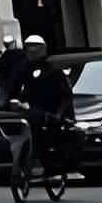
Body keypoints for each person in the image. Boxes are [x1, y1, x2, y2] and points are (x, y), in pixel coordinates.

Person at [21, 47, 78, 187]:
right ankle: (33, 164)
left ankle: (55, 168)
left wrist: (59, 114)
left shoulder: (55, 73)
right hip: (36, 113)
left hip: (53, 113)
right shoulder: (27, 73)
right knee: (32, 136)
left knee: (53, 138)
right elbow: (24, 93)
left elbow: (66, 97)